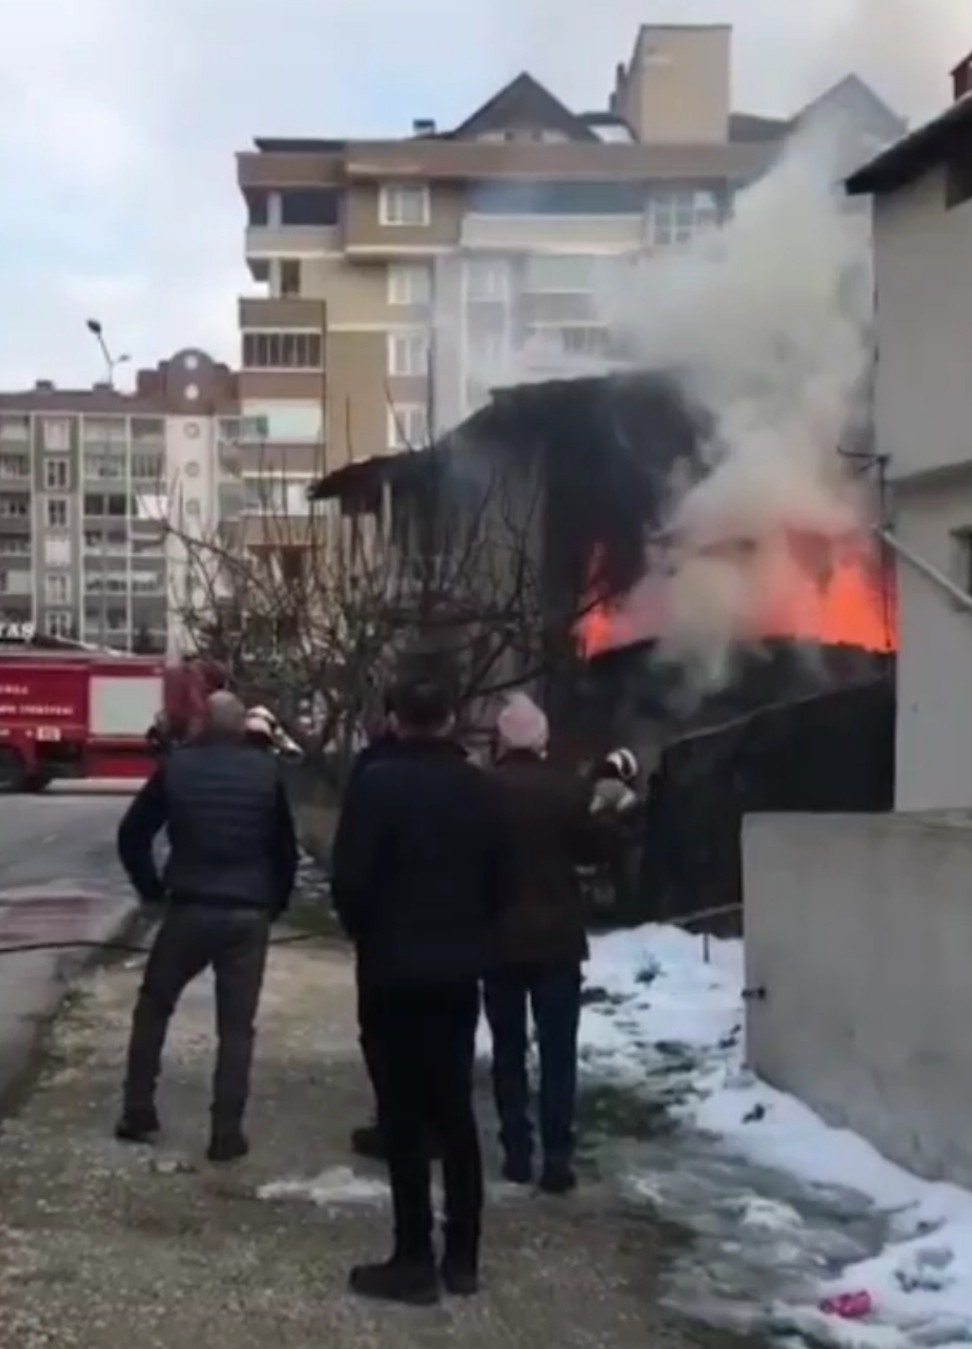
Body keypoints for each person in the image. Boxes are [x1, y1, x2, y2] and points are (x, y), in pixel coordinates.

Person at [331, 677, 509, 1304]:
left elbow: (349, 882)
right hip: (458, 974)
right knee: (456, 1114)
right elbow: (500, 881)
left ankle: (413, 1259)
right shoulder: (479, 787)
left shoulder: (376, 786)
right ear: (451, 717)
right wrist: (474, 940)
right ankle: (463, 1258)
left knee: (404, 1119)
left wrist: (370, 933)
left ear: (395, 716)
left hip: (391, 973)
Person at [114, 690, 299, 1162]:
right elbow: (285, 851)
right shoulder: (266, 774)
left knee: (155, 1005)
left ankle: (138, 1110)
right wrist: (272, 904)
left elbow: (133, 834)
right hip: (247, 914)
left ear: (202, 724)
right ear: (242, 729)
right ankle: (226, 1134)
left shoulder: (177, 768)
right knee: (236, 1029)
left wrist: (151, 891)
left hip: (189, 908)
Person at [483, 693, 599, 1196]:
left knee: (507, 1049)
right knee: (558, 1051)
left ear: (502, 741)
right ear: (543, 739)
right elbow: (595, 850)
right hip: (557, 941)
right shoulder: (570, 789)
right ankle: (557, 1156)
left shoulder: (482, 790)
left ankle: (515, 1150)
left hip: (499, 940)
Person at [343, 690, 403, 1162]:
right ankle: (437, 1125)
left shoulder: (371, 774)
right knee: (443, 1037)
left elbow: (351, 861)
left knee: (382, 1033)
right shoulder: (467, 775)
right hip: (452, 936)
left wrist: (357, 922)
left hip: (385, 934)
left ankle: (393, 1121)